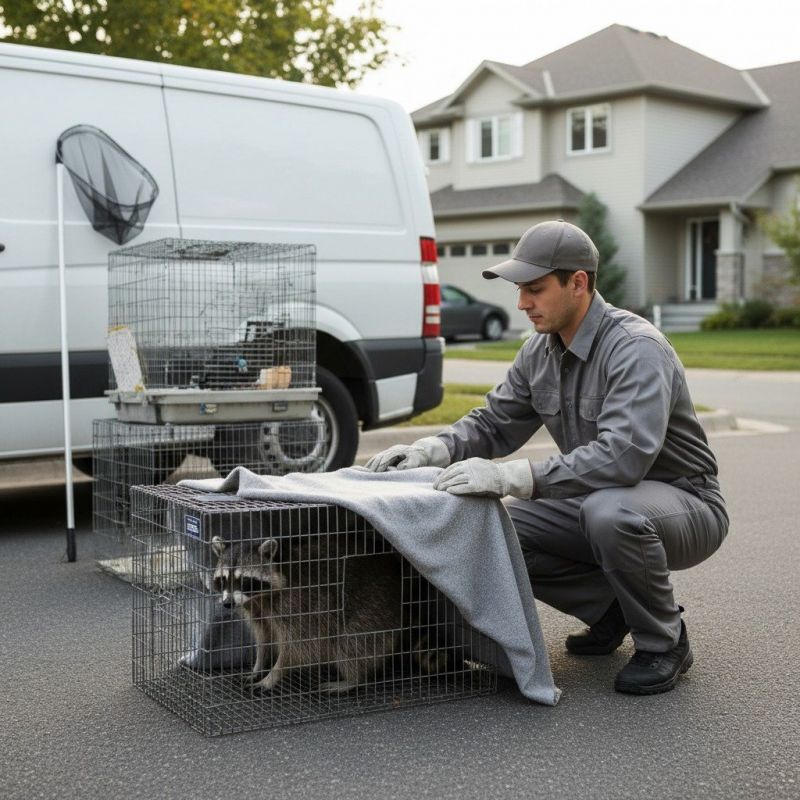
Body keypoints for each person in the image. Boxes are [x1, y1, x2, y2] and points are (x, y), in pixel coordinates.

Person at [365, 219, 729, 696]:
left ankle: (665, 642)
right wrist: (430, 449)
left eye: (534, 289)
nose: (522, 303)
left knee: (610, 513)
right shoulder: (539, 350)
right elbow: (494, 423)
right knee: (499, 531)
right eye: (520, 290)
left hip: (685, 504)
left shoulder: (636, 349)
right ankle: (610, 609)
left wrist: (510, 476)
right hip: (601, 497)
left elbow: (623, 457)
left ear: (578, 283)